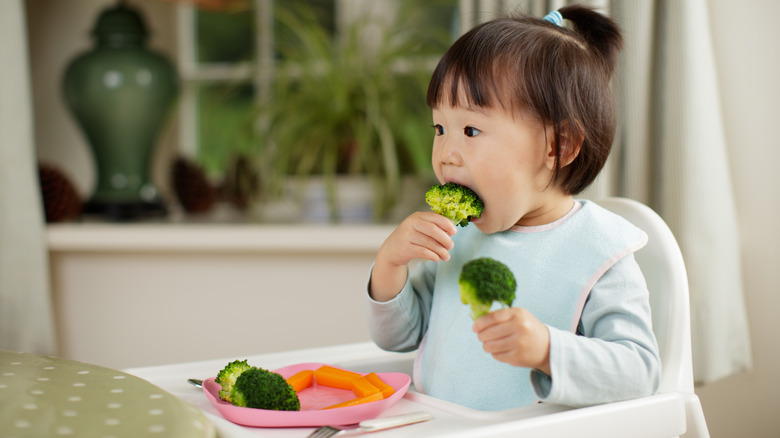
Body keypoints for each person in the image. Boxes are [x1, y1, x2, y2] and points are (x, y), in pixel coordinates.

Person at [366, 5, 661, 410]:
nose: (446, 154)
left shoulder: (601, 252)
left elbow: (640, 371)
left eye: (471, 129)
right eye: (439, 128)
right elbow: (400, 336)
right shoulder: (460, 235)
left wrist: (547, 350)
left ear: (559, 146)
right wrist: (390, 265)